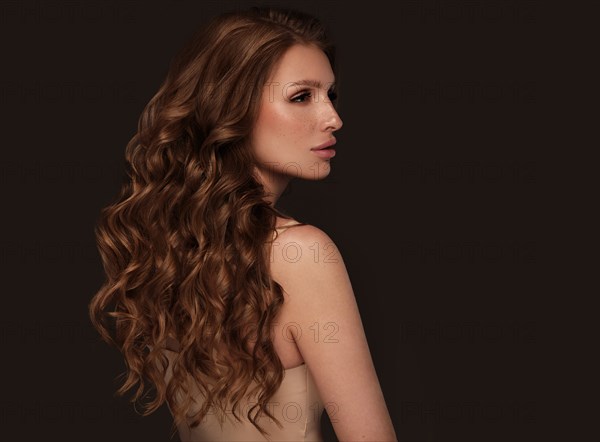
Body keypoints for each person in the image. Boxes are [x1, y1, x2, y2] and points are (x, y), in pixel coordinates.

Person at [88, 5, 397, 441]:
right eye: (302, 96)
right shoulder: (304, 255)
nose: (333, 118)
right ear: (231, 105)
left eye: (331, 95)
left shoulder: (167, 245)